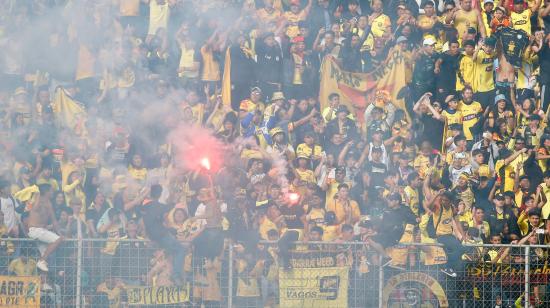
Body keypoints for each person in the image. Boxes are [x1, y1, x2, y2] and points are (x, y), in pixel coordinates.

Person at [142, 184, 188, 284]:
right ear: (160, 194)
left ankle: (174, 274)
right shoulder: (161, 207)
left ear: (150, 193)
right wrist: (170, 228)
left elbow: (143, 223)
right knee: (180, 249)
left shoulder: (144, 206)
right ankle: (176, 275)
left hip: (151, 236)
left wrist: (147, 235)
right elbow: (166, 221)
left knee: (172, 250)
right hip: (161, 236)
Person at [27, 184, 63, 272]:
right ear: (46, 192)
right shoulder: (37, 201)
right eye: (51, 190)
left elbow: (54, 220)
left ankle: (42, 275)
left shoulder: (49, 203)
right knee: (57, 240)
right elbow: (34, 208)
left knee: (45, 255)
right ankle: (41, 261)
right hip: (35, 231)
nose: (53, 192)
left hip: (42, 231)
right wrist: (38, 194)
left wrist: (60, 233)